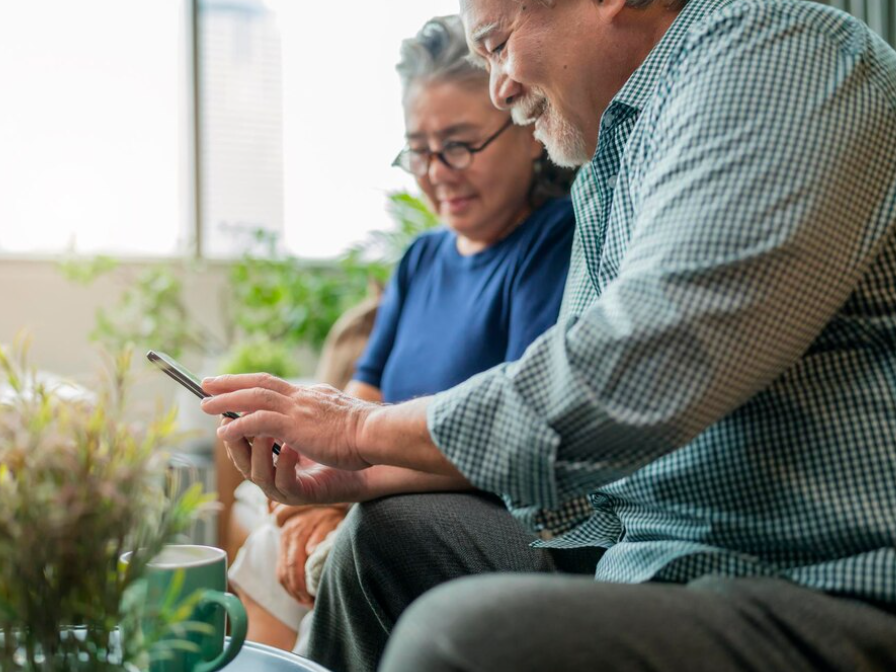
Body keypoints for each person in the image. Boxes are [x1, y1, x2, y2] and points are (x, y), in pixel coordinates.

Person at [201, 0, 896, 669]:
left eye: (498, 45)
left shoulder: (777, 54)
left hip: (817, 581)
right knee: (385, 542)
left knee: (459, 636)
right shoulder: (608, 163)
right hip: (646, 557)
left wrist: (359, 432)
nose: (499, 89)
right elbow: (582, 468)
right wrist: (353, 476)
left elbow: (632, 375)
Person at [224, 14, 577, 655]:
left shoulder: (555, 243)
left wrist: (347, 489)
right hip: (375, 493)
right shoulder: (420, 260)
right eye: (419, 151)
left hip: (470, 513)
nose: (437, 172)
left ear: (526, 130)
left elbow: (516, 434)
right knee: (275, 547)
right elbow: (361, 396)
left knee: (353, 542)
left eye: (459, 146)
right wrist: (316, 498)